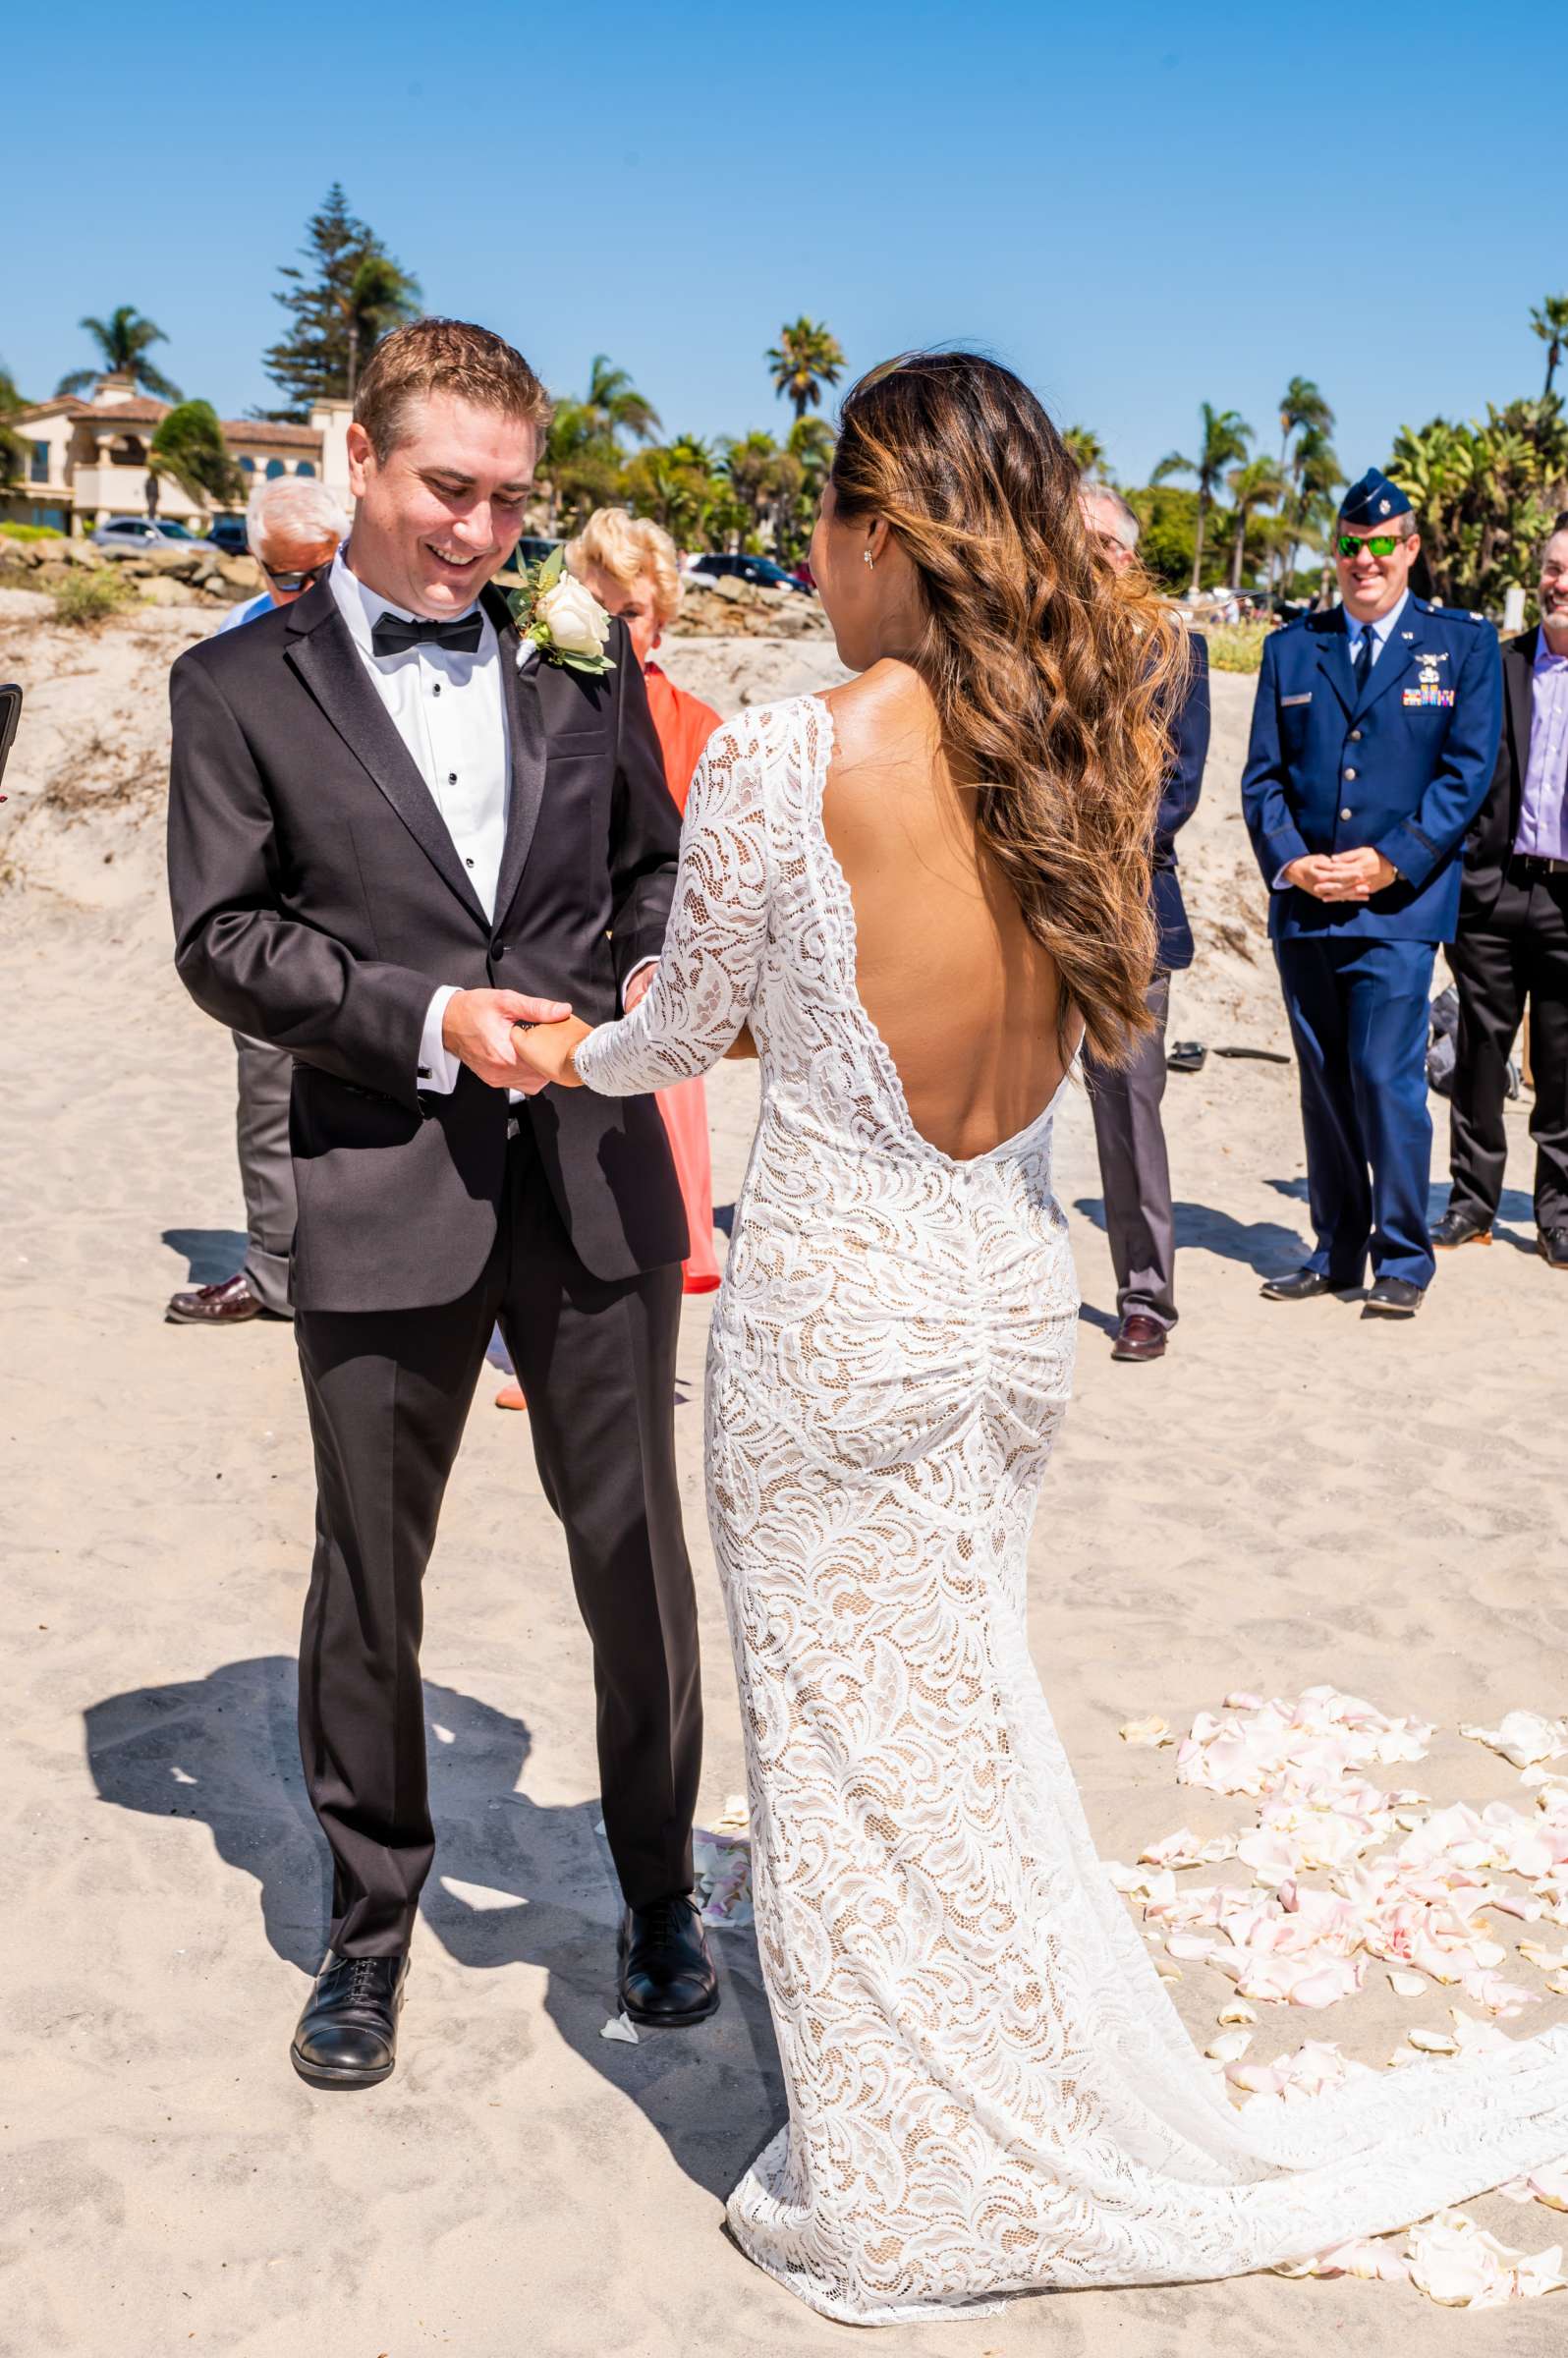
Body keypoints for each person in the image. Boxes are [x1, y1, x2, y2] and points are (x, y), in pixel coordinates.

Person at [510, 357, 1568, 2322]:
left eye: (824, 529)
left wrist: (562, 1037)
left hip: (840, 1315)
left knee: (841, 1755)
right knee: (969, 1722)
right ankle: (1002, 2088)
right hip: (1006, 1303)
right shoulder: (1073, 751)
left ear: (881, 538)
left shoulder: (784, 754)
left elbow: (684, 1027)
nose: (811, 568)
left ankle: (909, 2187)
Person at [166, 317, 715, 2092]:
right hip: (381, 1179)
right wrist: (429, 1023)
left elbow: (652, 869)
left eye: (507, 500)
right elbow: (224, 939)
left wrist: (638, 987)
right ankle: (368, 1929)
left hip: (593, 1179)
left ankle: (654, 1897)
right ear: (356, 458)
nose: (478, 536)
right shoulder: (232, 689)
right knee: (370, 1579)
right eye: (446, 491)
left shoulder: (582, 660)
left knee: (632, 1558)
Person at [1242, 468, 1502, 1317]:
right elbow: (1263, 781)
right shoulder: (1291, 648)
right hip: (1306, 904)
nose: (1366, 560)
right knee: (1321, 1079)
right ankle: (1335, 1247)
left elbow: (1466, 777)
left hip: (1398, 909)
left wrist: (1391, 862)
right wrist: (1291, 860)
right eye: (1352, 546)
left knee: (1385, 1077)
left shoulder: (1460, 646)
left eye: (1382, 545)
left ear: (1410, 550)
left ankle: (1402, 1258)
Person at [165, 476, 350, 1327]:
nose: (306, 593)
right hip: (273, 912)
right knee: (269, 1097)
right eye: (288, 576)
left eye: (325, 570)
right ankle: (275, 1272)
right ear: (258, 566)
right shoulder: (230, 648)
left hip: (370, 907)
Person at [564, 510, 722, 1297]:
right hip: (563, 955)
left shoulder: (698, 725)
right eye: (601, 612)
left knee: (652, 1158)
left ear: (658, 616)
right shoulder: (550, 702)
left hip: (656, 967)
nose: (616, 630)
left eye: (629, 613)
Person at [1079, 481, 1209, 1361]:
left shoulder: (1176, 651)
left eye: (1099, 546)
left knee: (1129, 1107)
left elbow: (1181, 787)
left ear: (1128, 554)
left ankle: (1146, 1299)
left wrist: (1081, 845)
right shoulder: (1024, 643)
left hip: (1125, 907)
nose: (1085, 560)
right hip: (1020, 909)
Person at [1433, 516, 1568, 1269]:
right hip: (1492, 892)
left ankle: (1558, 1212)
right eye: (1552, 568)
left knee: (1563, 1063)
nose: (1561, 584)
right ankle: (1471, 1203)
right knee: (1482, 1056)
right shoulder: (1498, 664)